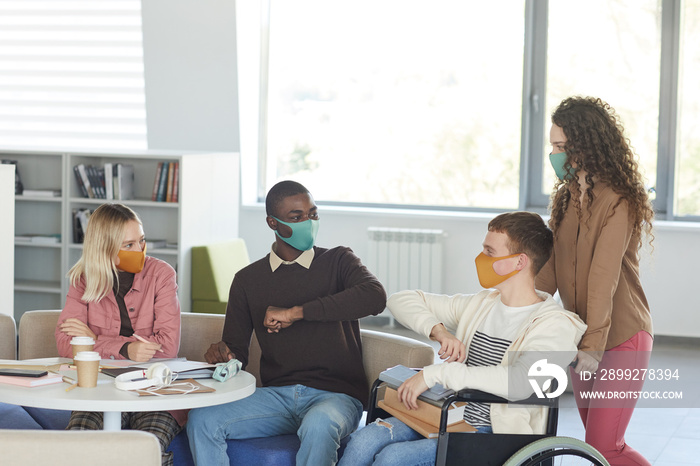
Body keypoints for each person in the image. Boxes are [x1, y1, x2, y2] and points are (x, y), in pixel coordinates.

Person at [339, 211, 587, 466]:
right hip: (452, 415)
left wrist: (436, 374)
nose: (481, 258)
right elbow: (401, 299)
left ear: (520, 262)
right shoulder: (481, 304)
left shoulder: (557, 325)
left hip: (496, 434)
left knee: (393, 458)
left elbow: (523, 381)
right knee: (363, 442)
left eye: (490, 252)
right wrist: (440, 331)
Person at [186, 180, 387, 466]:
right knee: (202, 419)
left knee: (319, 423)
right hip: (275, 398)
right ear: (273, 222)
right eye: (297, 217)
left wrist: (295, 313)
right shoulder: (248, 280)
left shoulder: (339, 260)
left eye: (313, 214)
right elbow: (237, 353)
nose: (309, 222)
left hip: (336, 397)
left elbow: (375, 297)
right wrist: (223, 355)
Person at [536, 96, 654, 466]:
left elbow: (603, 277)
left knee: (606, 446)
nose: (553, 155)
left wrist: (592, 347)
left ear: (585, 147)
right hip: (583, 336)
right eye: (551, 145)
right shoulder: (568, 199)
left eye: (560, 147)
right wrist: (513, 309)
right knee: (595, 446)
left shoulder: (619, 201)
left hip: (619, 337)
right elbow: (551, 269)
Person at [55, 203, 183, 466]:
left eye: (142, 241)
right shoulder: (83, 279)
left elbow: (167, 347)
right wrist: (126, 349)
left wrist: (92, 339)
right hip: (99, 387)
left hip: (155, 392)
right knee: (74, 446)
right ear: (104, 247)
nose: (140, 251)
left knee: (145, 451)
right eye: (129, 245)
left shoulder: (162, 274)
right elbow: (65, 343)